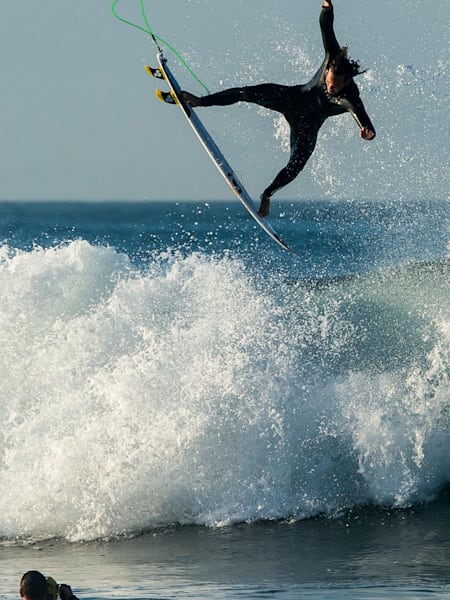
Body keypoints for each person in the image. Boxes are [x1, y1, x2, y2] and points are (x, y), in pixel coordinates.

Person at [182, 0, 376, 217]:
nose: (330, 86)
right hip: (291, 98)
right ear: (329, 69)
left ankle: (267, 195)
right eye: (328, 81)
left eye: (335, 86)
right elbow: (326, 27)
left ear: (346, 81)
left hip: (307, 125)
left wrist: (367, 134)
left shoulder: (351, 98)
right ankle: (200, 101)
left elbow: (366, 123)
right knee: (245, 93)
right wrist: (327, 8)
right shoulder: (332, 55)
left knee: (296, 165)